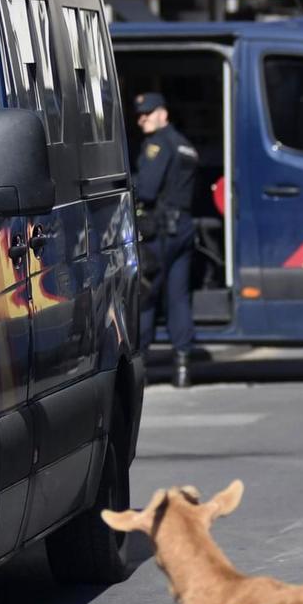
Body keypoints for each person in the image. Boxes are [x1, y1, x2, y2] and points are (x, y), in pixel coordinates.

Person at [132, 91, 199, 387]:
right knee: (178, 297)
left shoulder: (157, 144)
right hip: (183, 227)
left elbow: (145, 189)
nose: (142, 118)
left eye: (148, 112)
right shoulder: (185, 146)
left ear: (164, 114)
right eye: (140, 114)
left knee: (145, 297)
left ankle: (141, 367)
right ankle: (182, 365)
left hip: (158, 231)